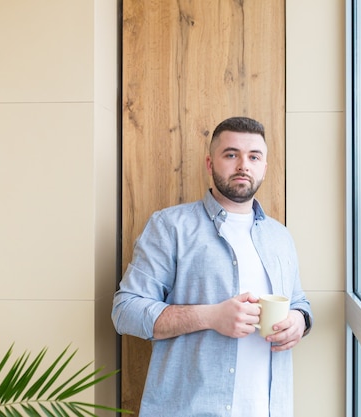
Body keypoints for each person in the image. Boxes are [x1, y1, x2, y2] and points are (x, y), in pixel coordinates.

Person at [112, 116, 313, 417]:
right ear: (210, 163)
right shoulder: (170, 227)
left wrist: (300, 321)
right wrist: (211, 316)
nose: (243, 165)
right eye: (231, 154)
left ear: (264, 168)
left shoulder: (280, 236)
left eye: (253, 156)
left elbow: (299, 302)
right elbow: (125, 312)